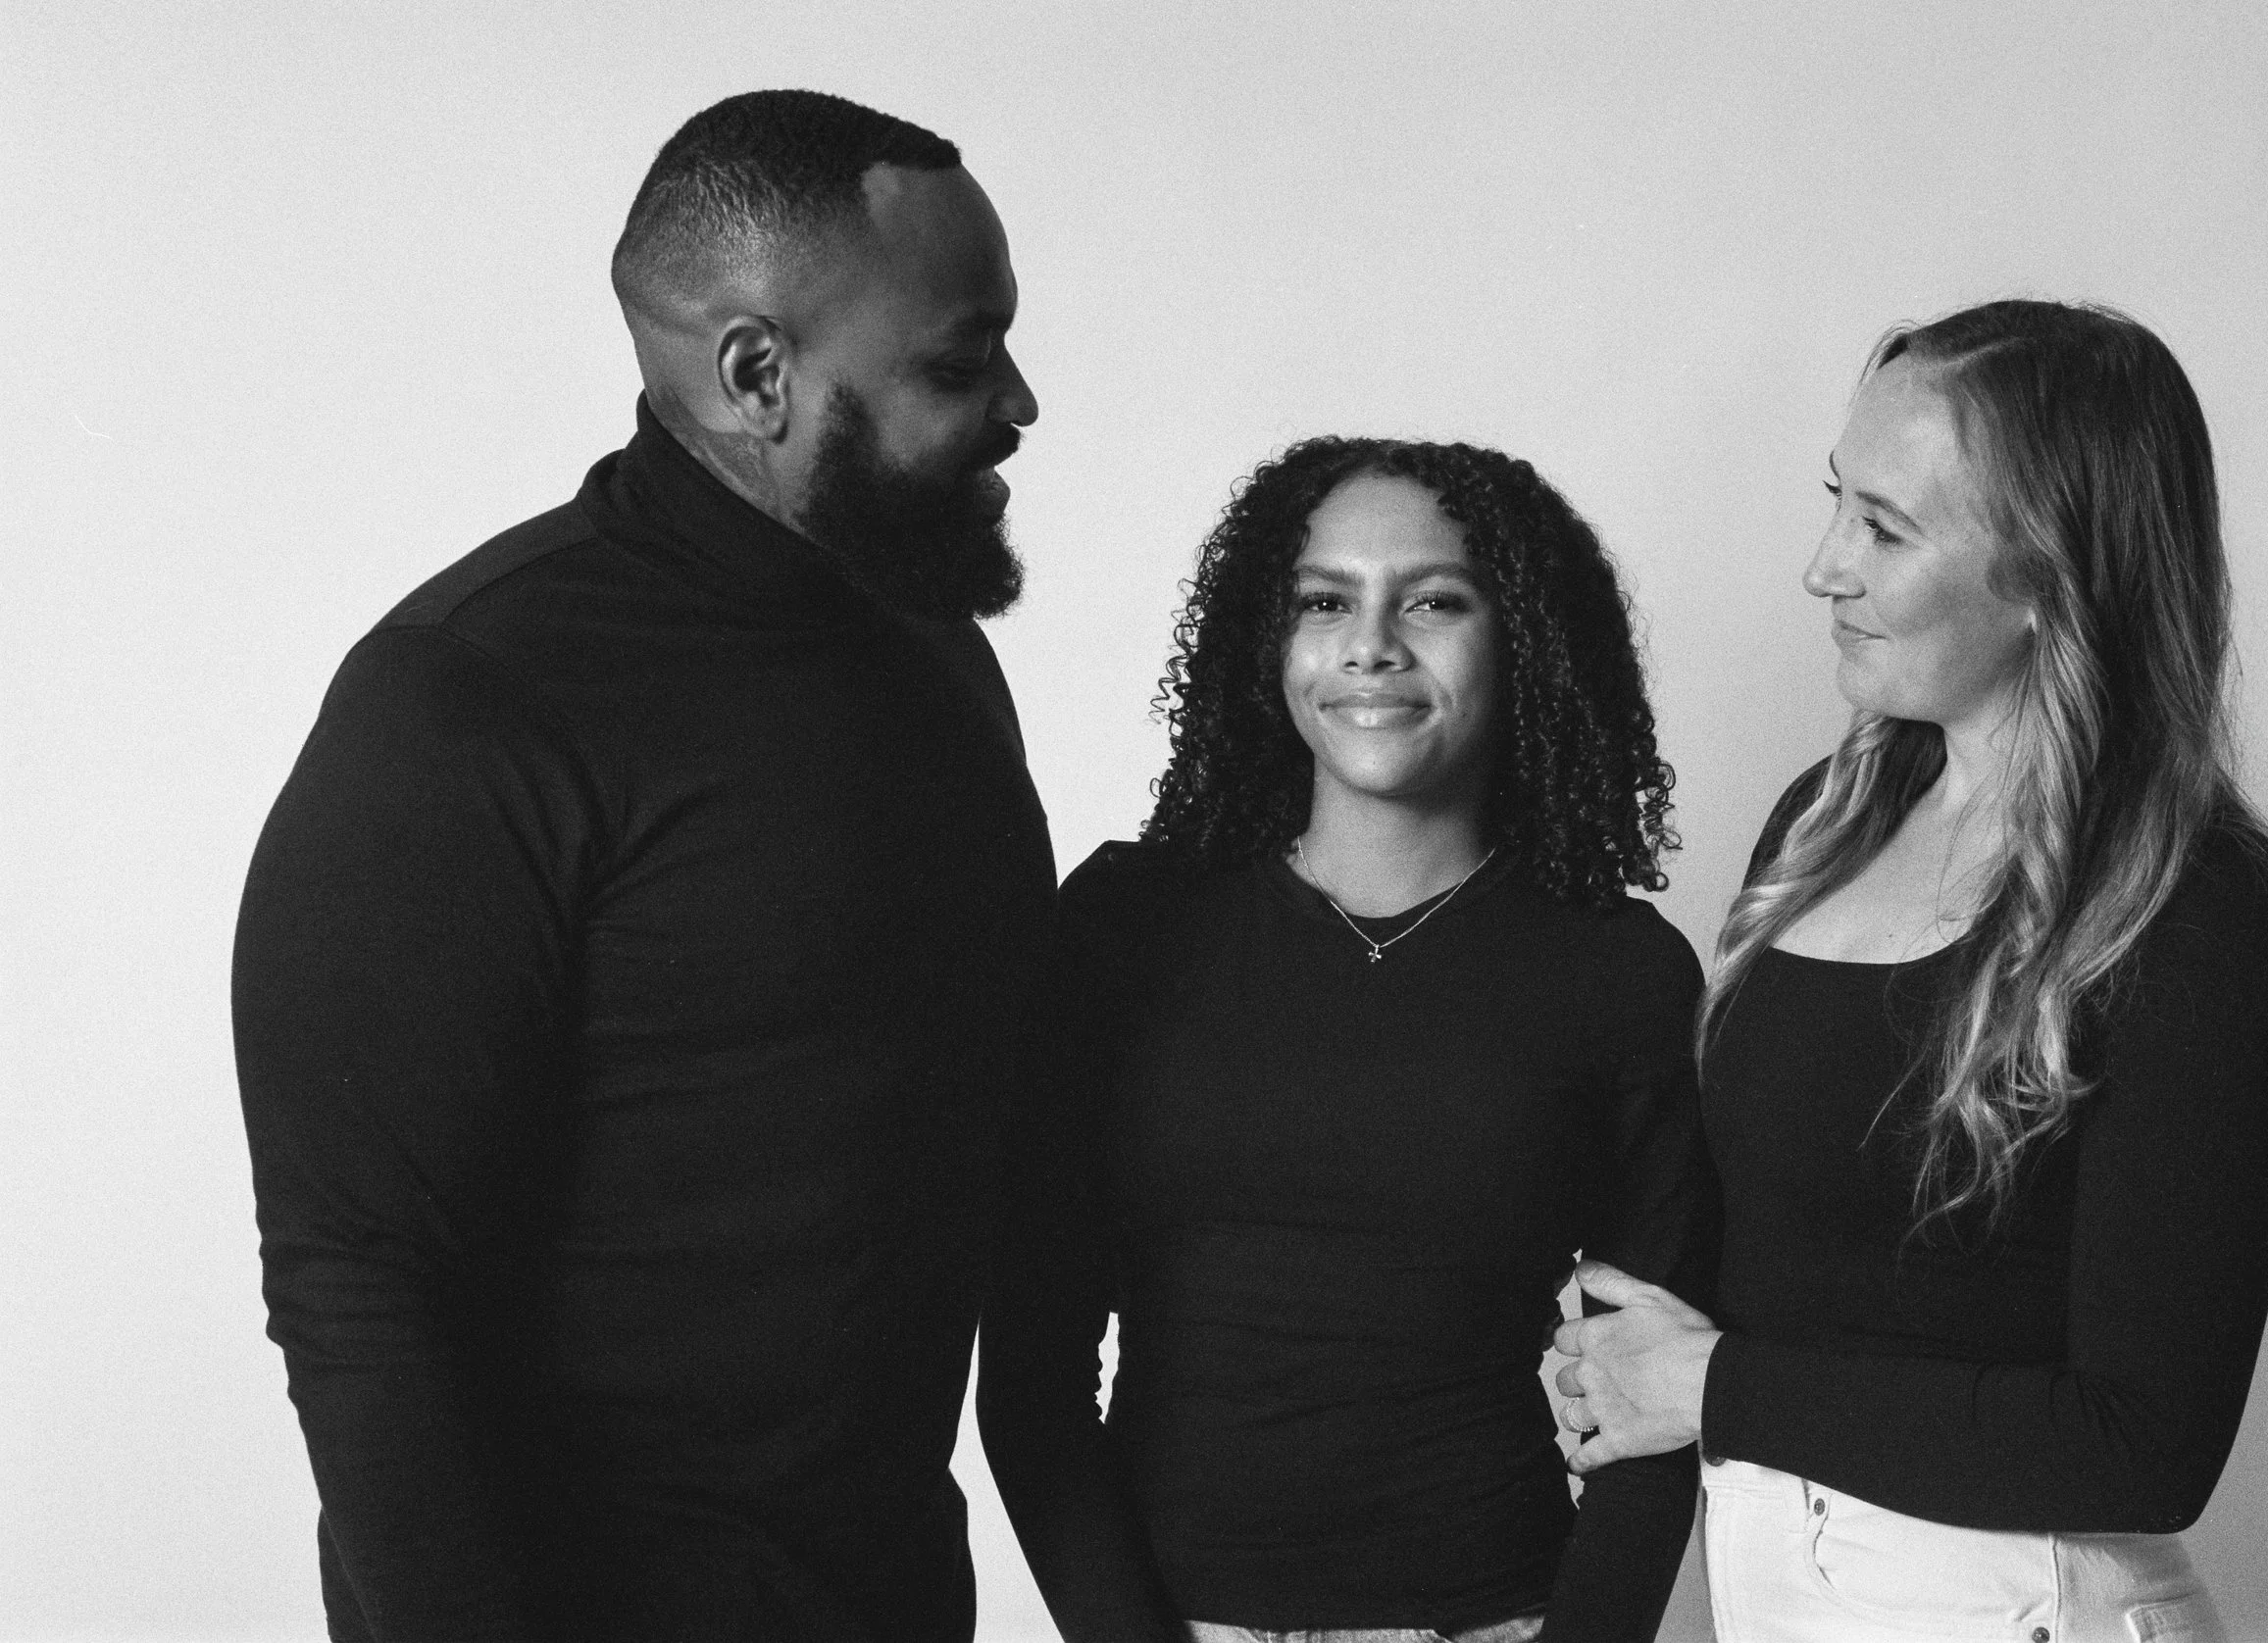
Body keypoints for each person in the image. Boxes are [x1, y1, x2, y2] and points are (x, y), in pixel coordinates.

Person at [231, 90, 1049, 1642]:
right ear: (758, 375)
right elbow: (360, 1292)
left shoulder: (929, 646)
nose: (1017, 401)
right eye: (958, 360)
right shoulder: (466, 701)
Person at [1551, 300, 2268, 1642]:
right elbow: (1804, 1252)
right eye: (1837, 503)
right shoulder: (1826, 820)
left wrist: (1712, 1384)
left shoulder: (2197, 909)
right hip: (1777, 1587)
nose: (1823, 568)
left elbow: (2142, 1444)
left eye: (1886, 529)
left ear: (2048, 576)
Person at [980, 437, 1717, 1643]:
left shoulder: (1616, 971)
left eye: (1432, 600)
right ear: (1269, 639)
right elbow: (1029, 1360)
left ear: (1520, 636)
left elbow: (1654, 1409)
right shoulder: (1124, 926)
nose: (1370, 644)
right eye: (1324, 601)